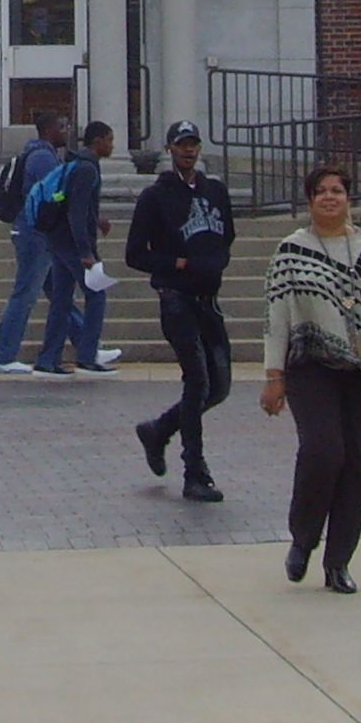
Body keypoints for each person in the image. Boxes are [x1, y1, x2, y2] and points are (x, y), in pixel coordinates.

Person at [258, 162, 361, 590]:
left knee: (356, 463)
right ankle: (303, 540)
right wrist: (274, 377)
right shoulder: (291, 251)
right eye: (321, 191)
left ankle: (338, 561)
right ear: (309, 201)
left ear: (349, 198)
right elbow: (277, 317)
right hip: (311, 364)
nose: (330, 198)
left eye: (337, 191)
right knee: (325, 453)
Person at [124, 119, 235, 501]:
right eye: (181, 144)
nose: (188, 151)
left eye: (193, 144)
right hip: (176, 298)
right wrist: (178, 265)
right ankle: (195, 472)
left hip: (209, 299)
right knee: (198, 380)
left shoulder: (215, 192)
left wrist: (213, 262)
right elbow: (135, 254)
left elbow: (227, 236)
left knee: (219, 386)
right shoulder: (155, 198)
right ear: (170, 149)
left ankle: (158, 430)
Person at [31, 120, 119, 375]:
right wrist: (86, 252)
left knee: (61, 300)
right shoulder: (87, 169)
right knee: (97, 295)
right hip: (75, 245)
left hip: (59, 241)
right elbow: (76, 213)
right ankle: (87, 356)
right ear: (98, 140)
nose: (111, 145)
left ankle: (48, 359)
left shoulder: (75, 164)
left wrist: (97, 220)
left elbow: (76, 206)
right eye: (109, 140)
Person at [0, 108, 69, 373]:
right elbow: (53, 196)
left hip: (34, 232)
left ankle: (88, 345)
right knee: (25, 294)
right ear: (49, 130)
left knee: (59, 294)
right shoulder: (44, 158)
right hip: (36, 235)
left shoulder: (34, 154)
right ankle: (3, 356)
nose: (67, 130)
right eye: (62, 126)